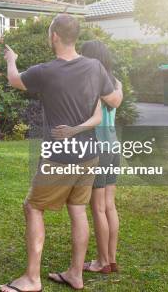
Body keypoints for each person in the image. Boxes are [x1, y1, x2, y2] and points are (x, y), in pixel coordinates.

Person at [0, 14, 123, 292]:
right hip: (90, 152)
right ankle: (75, 274)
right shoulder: (95, 67)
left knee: (33, 208)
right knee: (78, 209)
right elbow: (114, 100)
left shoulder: (45, 71)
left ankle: (32, 279)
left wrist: (11, 59)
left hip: (60, 154)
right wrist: (114, 86)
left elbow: (14, 80)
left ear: (54, 35)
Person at [51, 40, 123, 275]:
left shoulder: (91, 83)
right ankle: (110, 259)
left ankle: (102, 262)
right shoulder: (115, 83)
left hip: (98, 149)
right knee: (110, 207)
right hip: (113, 147)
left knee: (98, 208)